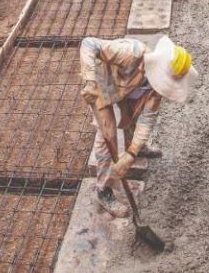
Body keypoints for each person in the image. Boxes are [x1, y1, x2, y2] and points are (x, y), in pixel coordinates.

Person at [80, 36, 197, 217]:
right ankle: (103, 191)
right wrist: (90, 81)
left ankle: (137, 147)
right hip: (102, 80)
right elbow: (88, 43)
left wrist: (131, 153)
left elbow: (146, 119)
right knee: (107, 135)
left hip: (126, 90)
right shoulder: (131, 53)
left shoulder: (155, 91)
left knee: (132, 119)